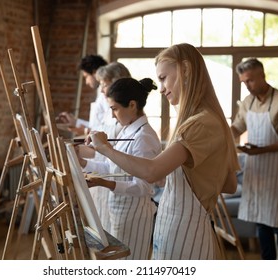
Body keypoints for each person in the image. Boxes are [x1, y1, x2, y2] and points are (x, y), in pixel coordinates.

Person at [85, 43, 240, 260]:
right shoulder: (197, 120)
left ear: (185, 70)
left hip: (186, 231)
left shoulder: (201, 122)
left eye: (164, 78)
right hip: (175, 225)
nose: (161, 88)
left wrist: (105, 148)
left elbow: (152, 172)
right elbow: (229, 184)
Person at [78, 77, 161, 260]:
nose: (113, 115)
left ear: (132, 105)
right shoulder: (128, 129)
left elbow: (143, 187)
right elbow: (112, 167)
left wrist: (104, 182)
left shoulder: (144, 137)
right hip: (119, 211)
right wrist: (82, 162)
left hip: (135, 217)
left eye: (115, 109)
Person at [231, 57, 278, 260]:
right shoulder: (247, 102)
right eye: (244, 82)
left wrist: (263, 150)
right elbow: (237, 127)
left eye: (250, 80)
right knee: (260, 220)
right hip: (256, 169)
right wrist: (221, 138)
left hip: (276, 170)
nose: (247, 86)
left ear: (262, 75)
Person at [80, 62, 132, 232]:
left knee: (111, 236)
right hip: (102, 174)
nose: (101, 90)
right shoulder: (111, 114)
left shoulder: (124, 119)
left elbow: (115, 157)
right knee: (100, 230)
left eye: (104, 84)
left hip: (114, 183)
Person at [57, 54, 108, 136]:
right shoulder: (101, 94)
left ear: (95, 72)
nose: (86, 82)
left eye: (86, 76)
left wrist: (85, 131)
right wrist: (76, 122)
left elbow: (109, 129)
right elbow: (96, 125)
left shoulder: (107, 96)